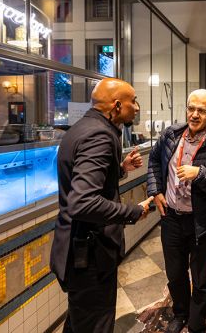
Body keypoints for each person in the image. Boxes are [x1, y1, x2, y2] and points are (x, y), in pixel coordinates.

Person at [51, 78, 154, 333]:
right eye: (133, 101)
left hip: (77, 249)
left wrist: (119, 169)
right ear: (117, 106)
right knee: (96, 324)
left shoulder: (82, 127)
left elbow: (84, 181)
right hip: (89, 256)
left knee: (80, 323)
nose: (137, 107)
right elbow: (83, 202)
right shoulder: (99, 135)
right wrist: (134, 212)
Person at [147, 89, 206, 333]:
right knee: (175, 274)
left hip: (201, 222)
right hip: (171, 218)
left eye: (201, 111)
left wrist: (200, 174)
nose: (194, 114)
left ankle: (196, 320)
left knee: (201, 277)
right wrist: (156, 191)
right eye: (191, 108)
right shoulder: (171, 134)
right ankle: (180, 313)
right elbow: (153, 162)